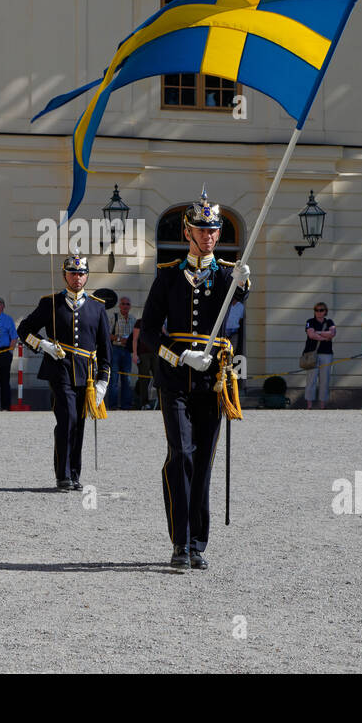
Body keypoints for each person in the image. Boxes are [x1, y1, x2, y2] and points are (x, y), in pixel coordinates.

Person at [138, 190, 250, 571]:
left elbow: (234, 302)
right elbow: (149, 333)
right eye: (202, 229)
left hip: (213, 382)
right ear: (188, 231)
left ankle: (197, 544)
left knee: (202, 461)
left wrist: (242, 284)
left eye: (214, 229)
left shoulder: (225, 277)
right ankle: (179, 542)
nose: (209, 236)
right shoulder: (168, 277)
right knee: (181, 455)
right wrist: (179, 353)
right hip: (175, 379)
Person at [17, 254, 111, 491]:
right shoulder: (50, 303)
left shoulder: (97, 307)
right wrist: (43, 345)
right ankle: (62, 475)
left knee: (79, 423)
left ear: (87, 276)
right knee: (67, 419)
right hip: (59, 370)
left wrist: (102, 382)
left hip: (87, 375)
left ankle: (74, 474)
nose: (77, 278)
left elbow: (105, 350)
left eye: (81, 273)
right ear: (64, 275)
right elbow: (24, 329)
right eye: (72, 273)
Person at [302, 302, 336, 408]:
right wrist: (325, 337)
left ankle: (322, 405)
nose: (319, 312)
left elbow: (333, 333)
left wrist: (318, 332)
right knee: (311, 379)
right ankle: (309, 405)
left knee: (325, 380)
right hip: (312, 353)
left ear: (325, 311)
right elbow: (311, 335)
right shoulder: (310, 321)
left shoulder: (329, 321)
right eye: (316, 310)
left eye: (321, 310)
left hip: (326, 354)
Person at [107, 296, 137, 409]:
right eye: (123, 304)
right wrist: (120, 339)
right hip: (115, 350)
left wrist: (130, 343)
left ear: (130, 307)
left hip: (127, 351)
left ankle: (126, 405)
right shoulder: (113, 317)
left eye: (127, 304)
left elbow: (135, 336)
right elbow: (107, 334)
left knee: (127, 379)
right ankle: (113, 406)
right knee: (114, 379)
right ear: (119, 306)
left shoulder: (133, 319)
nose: (125, 306)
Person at [131, 318, 155, 410]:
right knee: (144, 379)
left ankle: (161, 403)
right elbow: (135, 339)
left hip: (156, 353)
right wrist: (135, 354)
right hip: (143, 354)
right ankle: (144, 403)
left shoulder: (157, 321)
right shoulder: (140, 322)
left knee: (159, 378)